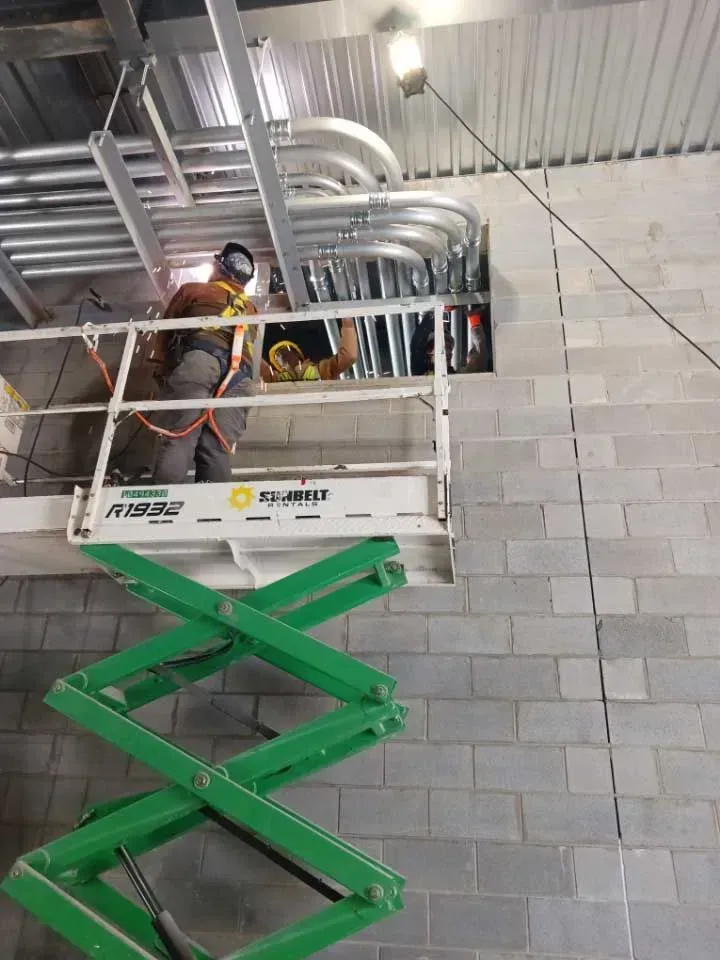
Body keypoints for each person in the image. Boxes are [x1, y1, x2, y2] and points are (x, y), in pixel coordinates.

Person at [152, 242, 258, 484]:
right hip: (241, 379)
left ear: (219, 267)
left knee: (180, 436)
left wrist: (162, 372)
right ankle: (213, 504)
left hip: (200, 362)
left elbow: (164, 334)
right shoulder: (251, 308)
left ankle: (162, 499)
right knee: (216, 448)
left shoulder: (193, 290)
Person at [261, 317, 358, 382]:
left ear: (297, 354)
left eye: (284, 349)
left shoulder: (322, 370)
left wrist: (348, 323)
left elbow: (349, 356)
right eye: (276, 355)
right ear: (278, 365)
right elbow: (259, 366)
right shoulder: (275, 379)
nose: (280, 354)